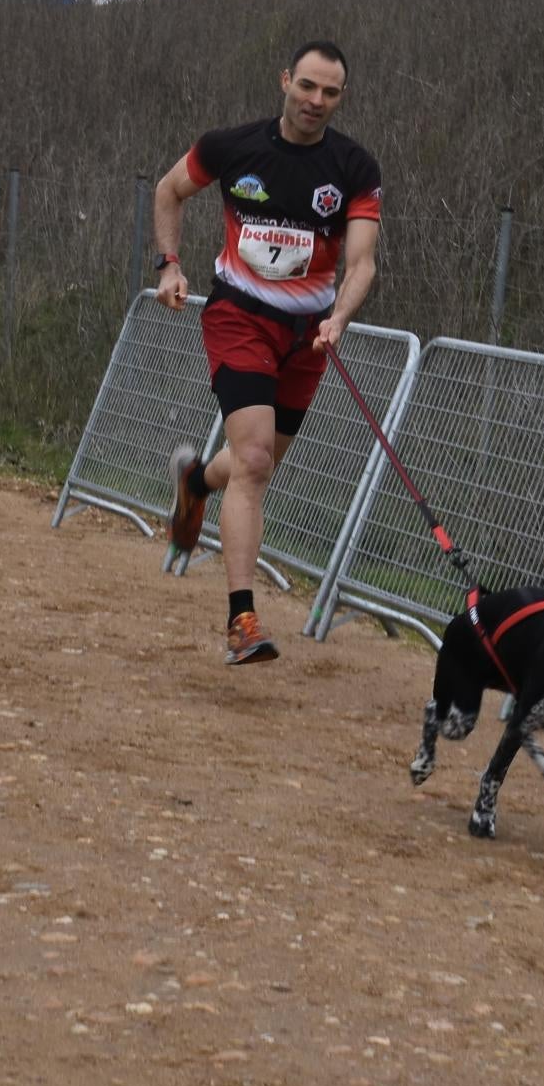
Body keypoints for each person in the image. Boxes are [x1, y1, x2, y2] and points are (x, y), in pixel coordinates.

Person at [153, 38, 383, 665]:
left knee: (254, 467)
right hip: (240, 318)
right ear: (285, 80)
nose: (316, 101)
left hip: (309, 334)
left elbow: (361, 262)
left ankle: (196, 482)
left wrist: (340, 315)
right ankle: (242, 620)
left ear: (341, 97)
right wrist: (170, 265)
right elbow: (170, 191)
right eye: (307, 86)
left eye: (330, 92)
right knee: (253, 459)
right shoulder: (232, 146)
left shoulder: (354, 167)